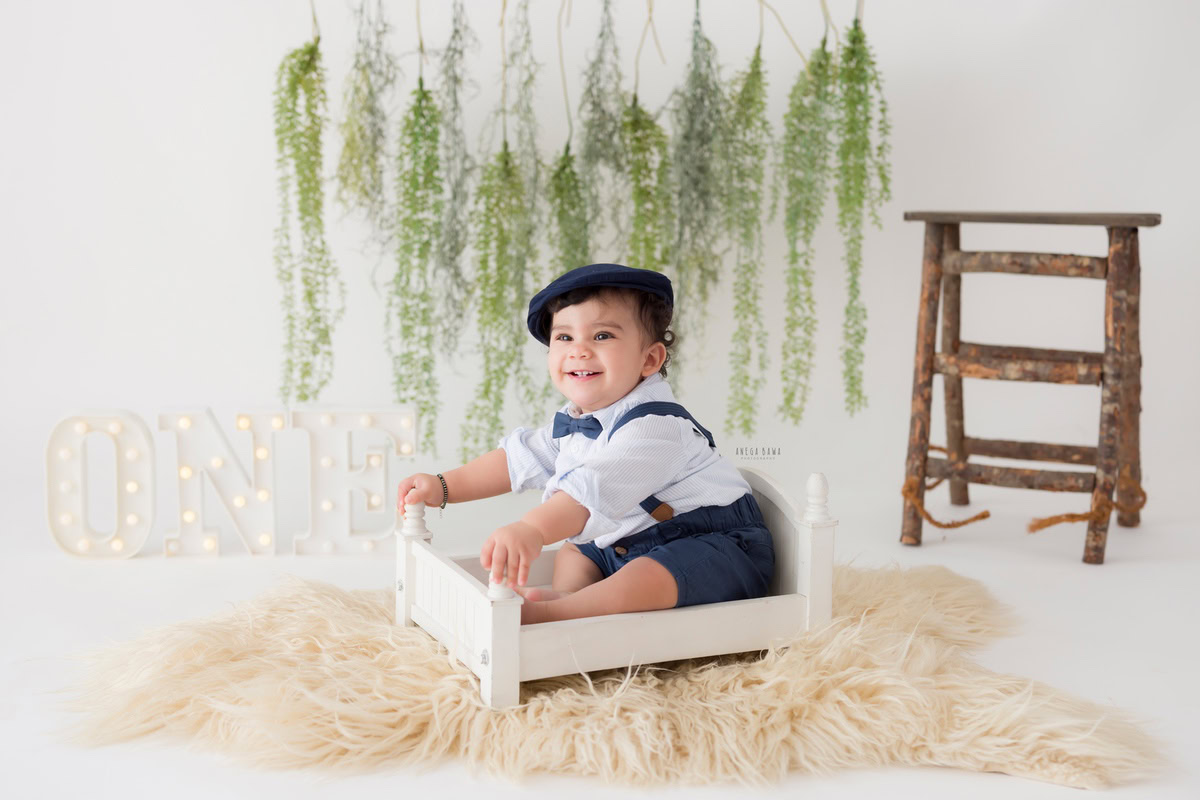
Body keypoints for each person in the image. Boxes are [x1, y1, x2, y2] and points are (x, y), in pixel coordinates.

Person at [396, 263, 774, 625]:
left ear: (649, 359)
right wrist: (444, 485)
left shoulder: (658, 427)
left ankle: (558, 614)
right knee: (578, 549)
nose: (579, 350)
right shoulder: (577, 419)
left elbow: (588, 491)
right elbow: (517, 459)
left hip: (714, 547)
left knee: (647, 573)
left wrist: (532, 528)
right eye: (564, 337)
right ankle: (568, 594)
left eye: (602, 336)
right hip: (629, 540)